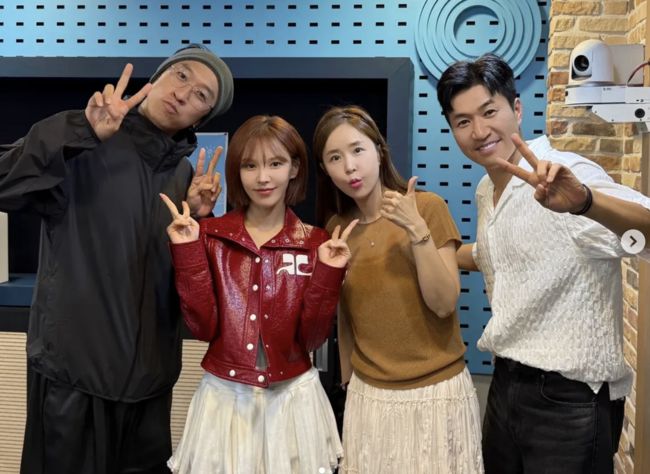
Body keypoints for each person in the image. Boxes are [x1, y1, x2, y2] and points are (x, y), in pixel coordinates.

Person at [0, 44, 234, 473]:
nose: (184, 93)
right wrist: (79, 130)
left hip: (149, 389)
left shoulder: (185, 176)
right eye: (181, 75)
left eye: (202, 95)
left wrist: (201, 221)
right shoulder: (84, 141)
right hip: (73, 381)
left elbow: (185, 284)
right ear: (157, 78)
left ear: (200, 119)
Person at [436, 53, 650, 473]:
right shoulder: (487, 189)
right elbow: (496, 254)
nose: (479, 131)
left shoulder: (564, 173)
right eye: (463, 121)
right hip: (505, 385)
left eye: (489, 112)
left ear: (516, 109)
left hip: (569, 399)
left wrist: (585, 203)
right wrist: (423, 249)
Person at [161, 115, 356, 474]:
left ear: (294, 168)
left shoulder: (316, 242)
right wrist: (187, 251)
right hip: (225, 397)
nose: (263, 178)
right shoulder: (210, 234)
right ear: (237, 172)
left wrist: (329, 273)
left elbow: (312, 339)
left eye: (275, 163)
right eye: (250, 166)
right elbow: (203, 328)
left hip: (293, 397)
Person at [312, 106, 484, 474]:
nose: (350, 167)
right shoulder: (337, 229)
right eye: (335, 158)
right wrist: (348, 384)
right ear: (325, 170)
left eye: (358, 150)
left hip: (437, 394)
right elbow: (347, 317)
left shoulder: (427, 207)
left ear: (379, 151)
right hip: (369, 398)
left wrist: (416, 230)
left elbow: (443, 303)